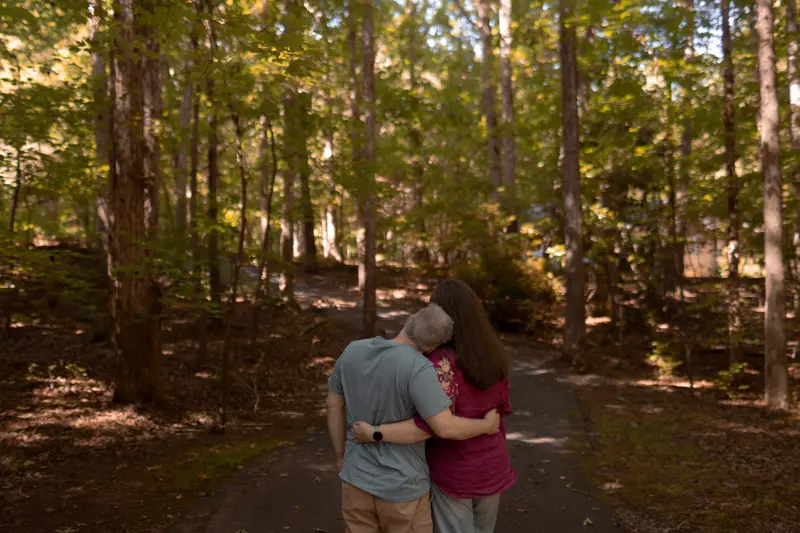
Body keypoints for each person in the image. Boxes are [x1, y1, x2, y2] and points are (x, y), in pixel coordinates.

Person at [352, 280, 515, 533]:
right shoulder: (494, 354)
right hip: (492, 463)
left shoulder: (441, 362)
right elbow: (500, 410)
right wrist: (484, 426)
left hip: (455, 468)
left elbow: (430, 424)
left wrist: (375, 432)